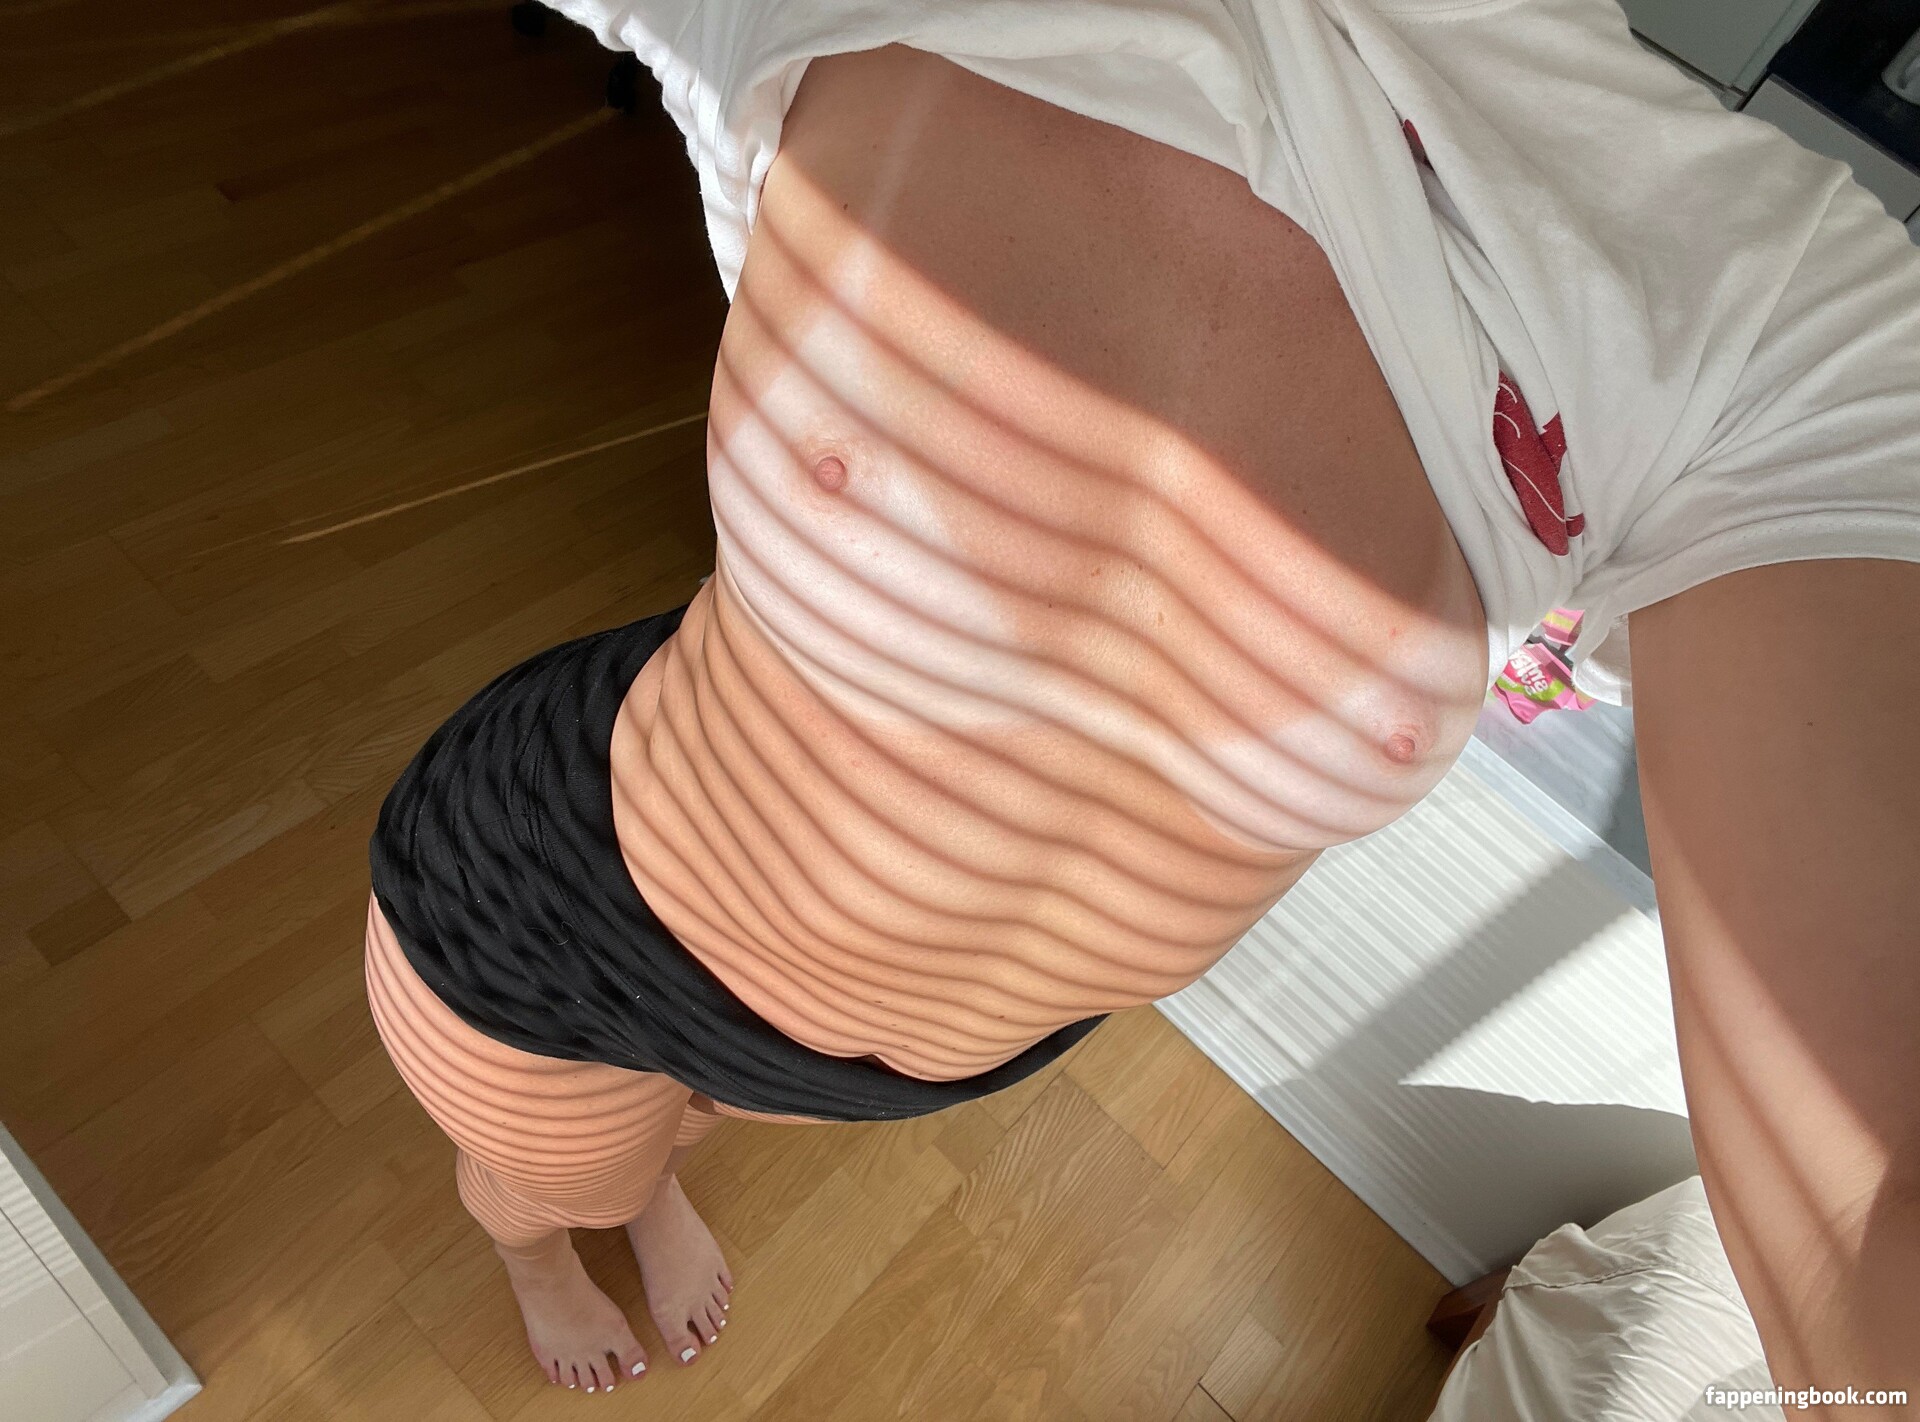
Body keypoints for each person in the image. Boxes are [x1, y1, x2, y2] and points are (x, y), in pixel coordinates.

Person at [364, 0, 1920, 1405]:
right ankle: (541, 1246)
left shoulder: (1760, 292)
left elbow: (1865, 1214)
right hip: (574, 923)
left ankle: (647, 1174)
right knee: (549, 1177)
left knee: (671, 1130)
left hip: (914, 1057)